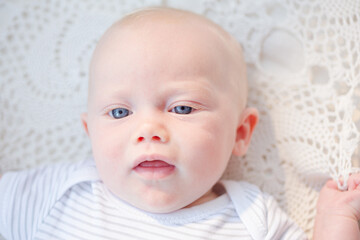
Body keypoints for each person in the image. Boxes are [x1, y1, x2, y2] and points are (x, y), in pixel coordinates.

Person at [0, 6, 359, 240]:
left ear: (240, 133)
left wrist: (335, 223)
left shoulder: (252, 218)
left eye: (183, 109)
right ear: (90, 132)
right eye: (120, 113)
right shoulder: (62, 192)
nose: (148, 130)